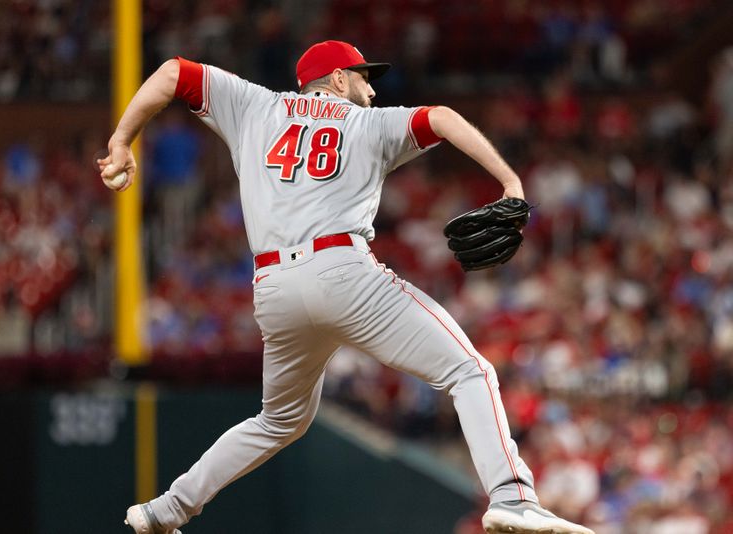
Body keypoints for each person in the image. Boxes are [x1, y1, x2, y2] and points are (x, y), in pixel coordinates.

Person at [100, 40, 594, 534]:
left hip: (273, 286)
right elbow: (440, 116)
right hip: (342, 271)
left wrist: (122, 141)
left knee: (278, 421)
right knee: (470, 372)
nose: (372, 89)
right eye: (363, 76)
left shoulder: (252, 104)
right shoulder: (367, 123)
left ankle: (166, 510)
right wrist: (511, 184)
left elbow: (170, 73)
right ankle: (512, 496)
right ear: (338, 79)